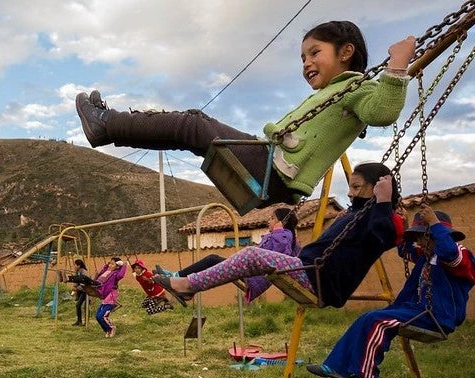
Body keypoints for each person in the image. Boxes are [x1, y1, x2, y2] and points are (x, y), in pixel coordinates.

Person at [75, 21, 415, 207]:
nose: (307, 63)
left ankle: (106, 124)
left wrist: (398, 64)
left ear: (346, 52)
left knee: (194, 124)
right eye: (302, 58)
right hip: (270, 165)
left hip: (276, 171)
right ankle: (108, 130)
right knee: (189, 133)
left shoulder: (358, 88)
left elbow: (383, 111)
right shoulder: (334, 92)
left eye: (314, 53)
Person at [153, 162, 404, 308]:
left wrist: (384, 202)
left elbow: (384, 237)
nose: (350, 194)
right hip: (311, 271)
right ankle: (187, 284)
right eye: (349, 187)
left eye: (356, 187)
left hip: (319, 279)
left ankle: (188, 284)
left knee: (252, 255)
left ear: (380, 188)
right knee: (243, 257)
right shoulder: (358, 215)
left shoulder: (383, 218)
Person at [307, 206, 474, 378]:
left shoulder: (460, 254)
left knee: (379, 323)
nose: (420, 242)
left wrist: (434, 223)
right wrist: (404, 225)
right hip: (415, 310)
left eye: (423, 237)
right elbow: (405, 251)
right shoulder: (427, 255)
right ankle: (336, 366)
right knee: (366, 318)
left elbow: (449, 253)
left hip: (438, 316)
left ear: (438, 234)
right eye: (418, 238)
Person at [157, 206, 301, 303]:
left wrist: (278, 230)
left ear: (281, 223)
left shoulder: (283, 237)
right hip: (254, 273)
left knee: (212, 259)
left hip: (255, 276)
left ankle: (178, 278)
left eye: (272, 219)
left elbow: (281, 252)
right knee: (213, 260)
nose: (268, 221)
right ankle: (181, 281)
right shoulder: (285, 236)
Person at [94, 258, 127, 337]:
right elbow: (100, 275)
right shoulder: (107, 272)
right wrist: (106, 266)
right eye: (110, 263)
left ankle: (111, 328)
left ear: (117, 266)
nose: (110, 265)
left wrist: (124, 266)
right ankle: (107, 330)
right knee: (97, 316)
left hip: (111, 297)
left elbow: (121, 275)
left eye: (112, 264)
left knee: (102, 316)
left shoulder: (115, 274)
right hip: (104, 297)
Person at [71, 259, 89, 326]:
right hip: (80, 291)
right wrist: (74, 287)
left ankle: (86, 322)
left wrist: (77, 288)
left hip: (85, 291)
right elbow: (76, 281)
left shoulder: (84, 272)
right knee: (78, 305)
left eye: (75, 265)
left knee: (83, 306)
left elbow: (84, 283)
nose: (74, 266)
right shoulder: (77, 272)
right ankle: (79, 321)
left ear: (79, 265)